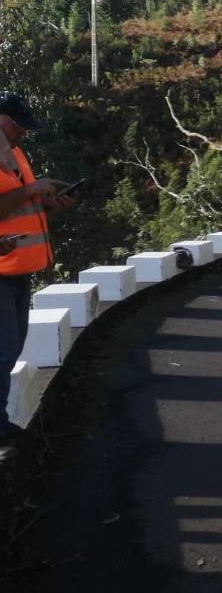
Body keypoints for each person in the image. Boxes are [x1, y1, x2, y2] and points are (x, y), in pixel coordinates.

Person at [0, 94, 76, 460]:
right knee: (1, 354)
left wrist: (49, 205)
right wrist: (32, 189)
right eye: (20, 126)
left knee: (10, 352)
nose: (25, 134)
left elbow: (20, 212)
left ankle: (2, 425)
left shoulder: (14, 156)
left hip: (17, 271)